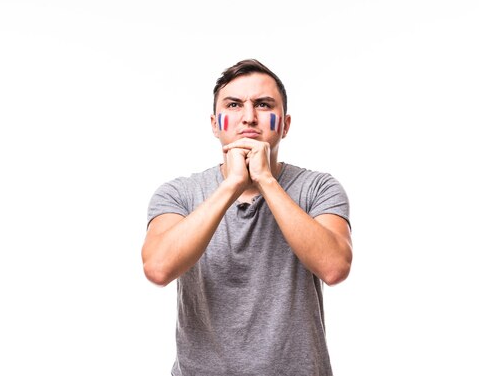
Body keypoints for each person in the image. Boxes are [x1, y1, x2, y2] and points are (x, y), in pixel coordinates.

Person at [142, 59, 353, 376]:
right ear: (215, 124)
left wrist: (266, 181)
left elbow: (335, 267)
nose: (249, 117)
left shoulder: (319, 188)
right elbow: (158, 268)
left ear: (284, 124)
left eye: (263, 104)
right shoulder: (178, 194)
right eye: (234, 105)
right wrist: (231, 185)